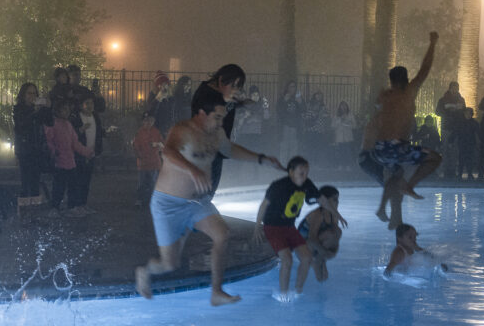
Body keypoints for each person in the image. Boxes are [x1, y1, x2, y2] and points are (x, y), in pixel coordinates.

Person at [135, 92, 283, 306]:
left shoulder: (217, 133)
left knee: (222, 234)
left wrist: (261, 159)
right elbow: (168, 152)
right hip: (168, 205)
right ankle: (145, 271)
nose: (220, 122)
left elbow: (230, 150)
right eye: (217, 116)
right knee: (169, 263)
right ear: (202, 114)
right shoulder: (183, 130)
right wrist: (193, 170)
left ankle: (216, 291)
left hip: (197, 203)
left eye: (223, 117)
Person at [369, 31, 442, 229]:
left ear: (391, 80)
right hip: (396, 147)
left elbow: (377, 118)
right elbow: (425, 69)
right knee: (435, 158)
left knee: (395, 174)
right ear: (407, 79)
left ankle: (384, 209)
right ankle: (411, 186)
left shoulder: (383, 95)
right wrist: (432, 43)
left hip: (380, 148)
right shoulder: (409, 92)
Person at [254, 157, 346, 299]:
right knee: (287, 260)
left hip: (289, 227)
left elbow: (322, 200)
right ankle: (283, 295)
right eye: (301, 173)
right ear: (291, 172)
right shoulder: (279, 186)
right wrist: (257, 227)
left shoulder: (306, 184)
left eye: (306, 173)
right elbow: (263, 205)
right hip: (273, 227)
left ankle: (298, 291)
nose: (304, 177)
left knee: (307, 257)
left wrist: (337, 214)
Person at [189, 64, 247, 196]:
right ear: (221, 80)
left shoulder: (222, 94)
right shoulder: (206, 95)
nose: (236, 90)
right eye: (233, 85)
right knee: (203, 192)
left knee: (209, 190)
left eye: (238, 86)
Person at [45, 100, 93, 215]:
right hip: (60, 161)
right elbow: (49, 141)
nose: (67, 112)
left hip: (70, 161)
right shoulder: (53, 124)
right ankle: (55, 206)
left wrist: (86, 152)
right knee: (59, 187)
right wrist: (53, 152)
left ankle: (71, 206)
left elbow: (75, 143)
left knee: (72, 186)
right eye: (64, 110)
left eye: (67, 110)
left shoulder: (68, 125)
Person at [12, 82, 51, 202]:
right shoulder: (19, 109)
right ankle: (24, 209)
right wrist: (34, 111)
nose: (32, 96)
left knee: (35, 181)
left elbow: (50, 122)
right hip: (24, 149)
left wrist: (47, 108)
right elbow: (21, 127)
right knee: (26, 181)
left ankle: (34, 210)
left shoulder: (39, 109)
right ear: (23, 95)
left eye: (34, 93)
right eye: (29, 93)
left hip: (37, 148)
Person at [297, 185, 342, 283]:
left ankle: (320, 259)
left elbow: (336, 236)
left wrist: (334, 252)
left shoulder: (333, 215)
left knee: (337, 231)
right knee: (331, 233)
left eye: (338, 199)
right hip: (303, 246)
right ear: (325, 201)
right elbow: (311, 238)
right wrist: (324, 252)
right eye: (334, 199)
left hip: (314, 244)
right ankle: (317, 259)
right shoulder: (318, 214)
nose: (337, 202)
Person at [68, 93, 102, 215]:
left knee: (86, 181)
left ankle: (83, 204)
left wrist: (97, 151)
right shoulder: (76, 117)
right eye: (87, 103)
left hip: (91, 154)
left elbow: (98, 134)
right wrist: (81, 129)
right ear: (81, 105)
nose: (89, 106)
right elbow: (71, 134)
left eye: (91, 103)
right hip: (79, 154)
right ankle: (74, 205)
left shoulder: (95, 117)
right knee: (77, 180)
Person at [132, 110, 163, 208]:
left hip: (153, 162)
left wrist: (158, 145)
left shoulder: (156, 132)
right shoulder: (139, 133)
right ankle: (140, 199)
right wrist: (139, 155)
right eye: (146, 121)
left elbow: (162, 144)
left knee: (153, 183)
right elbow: (136, 146)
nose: (148, 123)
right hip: (144, 162)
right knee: (142, 183)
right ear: (143, 121)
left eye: (150, 121)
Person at [435, 81, 465, 178]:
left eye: (456, 88)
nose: (455, 90)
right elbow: (437, 111)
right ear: (450, 88)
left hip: (456, 128)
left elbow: (464, 112)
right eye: (453, 88)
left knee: (454, 150)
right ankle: (445, 170)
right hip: (446, 127)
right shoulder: (443, 100)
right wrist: (447, 110)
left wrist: (458, 110)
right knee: (445, 149)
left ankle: (452, 170)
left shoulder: (461, 100)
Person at [276, 80, 304, 167]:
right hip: (285, 126)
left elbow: (304, 110)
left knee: (294, 148)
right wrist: (284, 101)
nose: (293, 88)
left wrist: (300, 102)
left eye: (294, 86)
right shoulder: (283, 98)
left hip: (295, 127)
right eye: (291, 86)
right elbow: (278, 111)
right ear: (287, 88)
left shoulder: (298, 99)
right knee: (284, 147)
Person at [302, 91, 331, 158]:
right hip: (310, 129)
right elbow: (305, 115)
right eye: (317, 95)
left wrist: (325, 116)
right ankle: (310, 161)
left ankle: (315, 162)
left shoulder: (323, 106)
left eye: (320, 95)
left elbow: (327, 116)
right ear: (314, 95)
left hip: (319, 129)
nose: (319, 96)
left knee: (317, 147)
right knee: (310, 147)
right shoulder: (309, 104)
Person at [146, 70, 174, 135]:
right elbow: (150, 112)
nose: (164, 87)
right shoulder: (153, 96)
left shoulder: (170, 97)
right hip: (156, 128)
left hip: (167, 129)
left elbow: (172, 113)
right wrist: (158, 99)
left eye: (166, 84)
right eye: (162, 85)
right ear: (157, 86)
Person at [331, 101, 356, 168]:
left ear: (347, 107)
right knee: (340, 152)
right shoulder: (336, 115)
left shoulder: (350, 114)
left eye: (345, 105)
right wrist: (339, 120)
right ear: (340, 107)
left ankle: (348, 165)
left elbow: (354, 125)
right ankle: (341, 165)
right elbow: (333, 125)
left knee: (348, 152)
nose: (343, 107)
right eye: (342, 106)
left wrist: (347, 124)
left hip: (348, 137)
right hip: (339, 137)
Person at [458, 108, 479, 180]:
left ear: (471, 115)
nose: (468, 115)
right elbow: (455, 132)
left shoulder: (474, 123)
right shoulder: (461, 122)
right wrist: (451, 140)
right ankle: (460, 174)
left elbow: (479, 133)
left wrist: (483, 141)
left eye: (469, 114)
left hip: (470, 143)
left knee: (469, 159)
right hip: (463, 143)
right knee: (462, 159)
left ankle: (469, 173)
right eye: (466, 114)